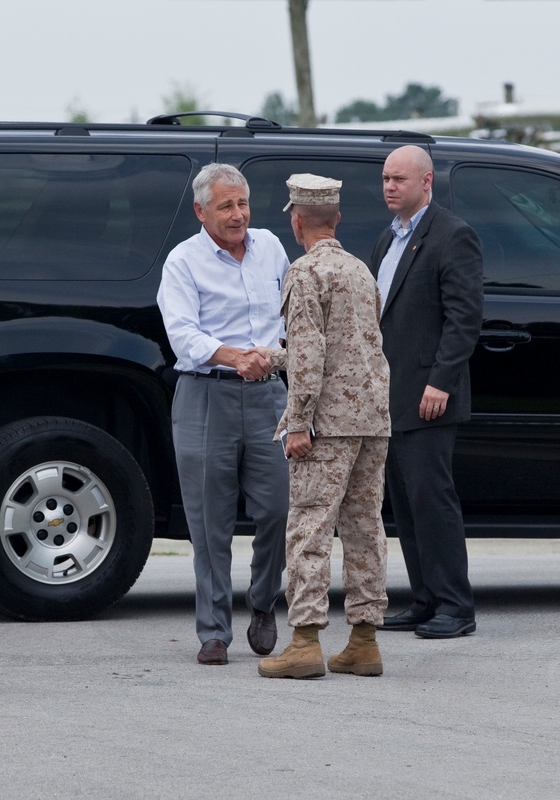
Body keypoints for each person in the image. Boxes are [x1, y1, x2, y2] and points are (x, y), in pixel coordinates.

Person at [253, 174, 391, 680]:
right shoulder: (359, 270)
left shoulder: (305, 272)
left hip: (328, 423)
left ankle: (306, 641)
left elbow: (310, 354)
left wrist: (297, 423)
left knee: (310, 526)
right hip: (373, 420)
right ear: (336, 219)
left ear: (296, 221)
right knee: (364, 528)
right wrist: (271, 357)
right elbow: (355, 346)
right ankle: (364, 641)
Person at [156, 163, 289, 666]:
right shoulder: (183, 261)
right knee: (209, 522)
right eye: (226, 206)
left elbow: (288, 315)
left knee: (278, 507)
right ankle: (214, 631)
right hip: (206, 394)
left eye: (243, 204)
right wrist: (235, 356)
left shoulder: (271, 248)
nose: (238, 215)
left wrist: (272, 357)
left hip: (268, 395)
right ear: (201, 211)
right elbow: (183, 334)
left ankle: (263, 602)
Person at [370, 145, 483, 639]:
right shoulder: (387, 240)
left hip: (429, 395)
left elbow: (464, 319)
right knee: (407, 504)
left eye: (399, 178)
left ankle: (455, 607)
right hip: (390, 398)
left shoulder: (452, 235)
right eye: (385, 178)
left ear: (426, 182)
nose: (389, 186)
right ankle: (424, 601)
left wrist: (441, 380)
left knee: (433, 502)